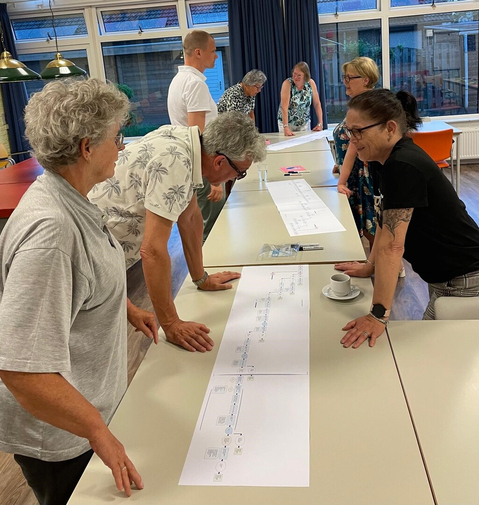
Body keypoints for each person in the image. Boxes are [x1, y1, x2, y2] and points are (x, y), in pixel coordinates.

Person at [0, 78, 158, 505]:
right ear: (87, 147)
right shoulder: (51, 231)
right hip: (59, 435)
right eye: (116, 138)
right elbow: (19, 368)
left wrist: (122, 306)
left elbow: (81, 276)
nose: (121, 147)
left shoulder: (70, 196)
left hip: (82, 416)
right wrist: (96, 429)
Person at [90, 111, 266, 354]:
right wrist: (171, 323)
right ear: (219, 162)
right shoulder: (177, 163)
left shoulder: (188, 142)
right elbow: (152, 251)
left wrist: (201, 278)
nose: (236, 178)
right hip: (93, 254)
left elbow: (191, 217)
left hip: (107, 245)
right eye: (240, 172)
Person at [335, 89, 479, 349]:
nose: (352, 140)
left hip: (464, 280)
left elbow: (393, 246)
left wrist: (378, 315)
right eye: (349, 131)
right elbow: (384, 220)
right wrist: (370, 265)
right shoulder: (383, 160)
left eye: (358, 131)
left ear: (389, 128)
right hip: (446, 277)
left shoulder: (403, 165)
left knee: (433, 356)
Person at [167, 29, 223, 242]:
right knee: (211, 228)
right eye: (213, 51)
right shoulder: (195, 84)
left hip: (191, 165)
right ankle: (207, 271)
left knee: (199, 225)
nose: (216, 55)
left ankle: (204, 269)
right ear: (198, 52)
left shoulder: (179, 80)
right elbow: (196, 135)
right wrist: (213, 177)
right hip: (201, 167)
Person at [333, 57, 379, 247]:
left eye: (349, 78)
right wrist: (340, 164)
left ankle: (391, 265)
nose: (345, 82)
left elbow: (353, 145)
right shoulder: (361, 102)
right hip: (352, 170)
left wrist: (342, 181)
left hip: (361, 174)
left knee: (370, 224)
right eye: (344, 77)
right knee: (366, 223)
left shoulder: (365, 106)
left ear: (365, 80)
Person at [278, 61, 324, 136]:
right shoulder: (287, 84)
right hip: (287, 123)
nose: (295, 77)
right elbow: (284, 107)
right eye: (294, 74)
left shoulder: (311, 83)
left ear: (305, 76)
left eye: (299, 75)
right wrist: (285, 127)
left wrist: (320, 123)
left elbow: (317, 104)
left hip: (304, 123)